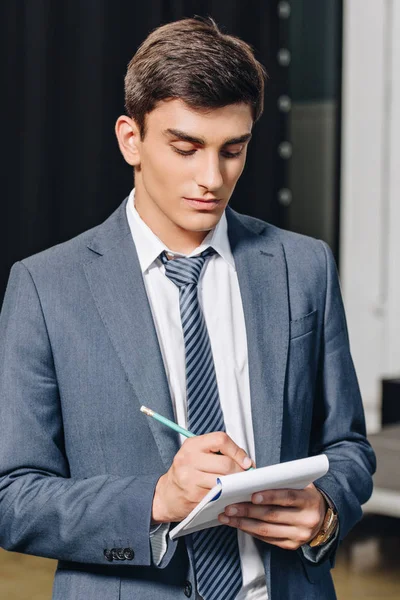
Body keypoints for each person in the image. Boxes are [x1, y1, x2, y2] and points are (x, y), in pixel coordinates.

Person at [0, 16, 375, 600]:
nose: (212, 178)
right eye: (186, 147)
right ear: (131, 139)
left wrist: (325, 511)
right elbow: (12, 496)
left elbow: (348, 446)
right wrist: (156, 499)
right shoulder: (46, 288)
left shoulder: (304, 267)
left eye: (233, 150)